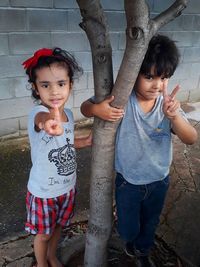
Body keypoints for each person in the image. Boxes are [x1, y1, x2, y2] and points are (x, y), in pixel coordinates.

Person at [80, 34, 198, 267]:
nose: (157, 85)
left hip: (159, 180)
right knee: (128, 227)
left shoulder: (167, 106)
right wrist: (97, 109)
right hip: (129, 182)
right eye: (149, 77)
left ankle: (142, 252)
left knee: (150, 222)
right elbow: (85, 108)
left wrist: (174, 116)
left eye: (164, 78)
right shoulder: (123, 99)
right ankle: (128, 241)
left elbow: (191, 138)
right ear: (134, 74)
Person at [22, 47, 92, 267]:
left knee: (59, 227)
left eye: (61, 84)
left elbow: (66, 144)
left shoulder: (69, 115)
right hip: (43, 193)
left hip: (67, 188)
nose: (54, 92)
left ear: (70, 84)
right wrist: (47, 123)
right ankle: (42, 263)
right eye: (45, 85)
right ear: (35, 88)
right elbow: (41, 121)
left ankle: (52, 256)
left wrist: (86, 142)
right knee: (43, 234)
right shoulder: (37, 113)